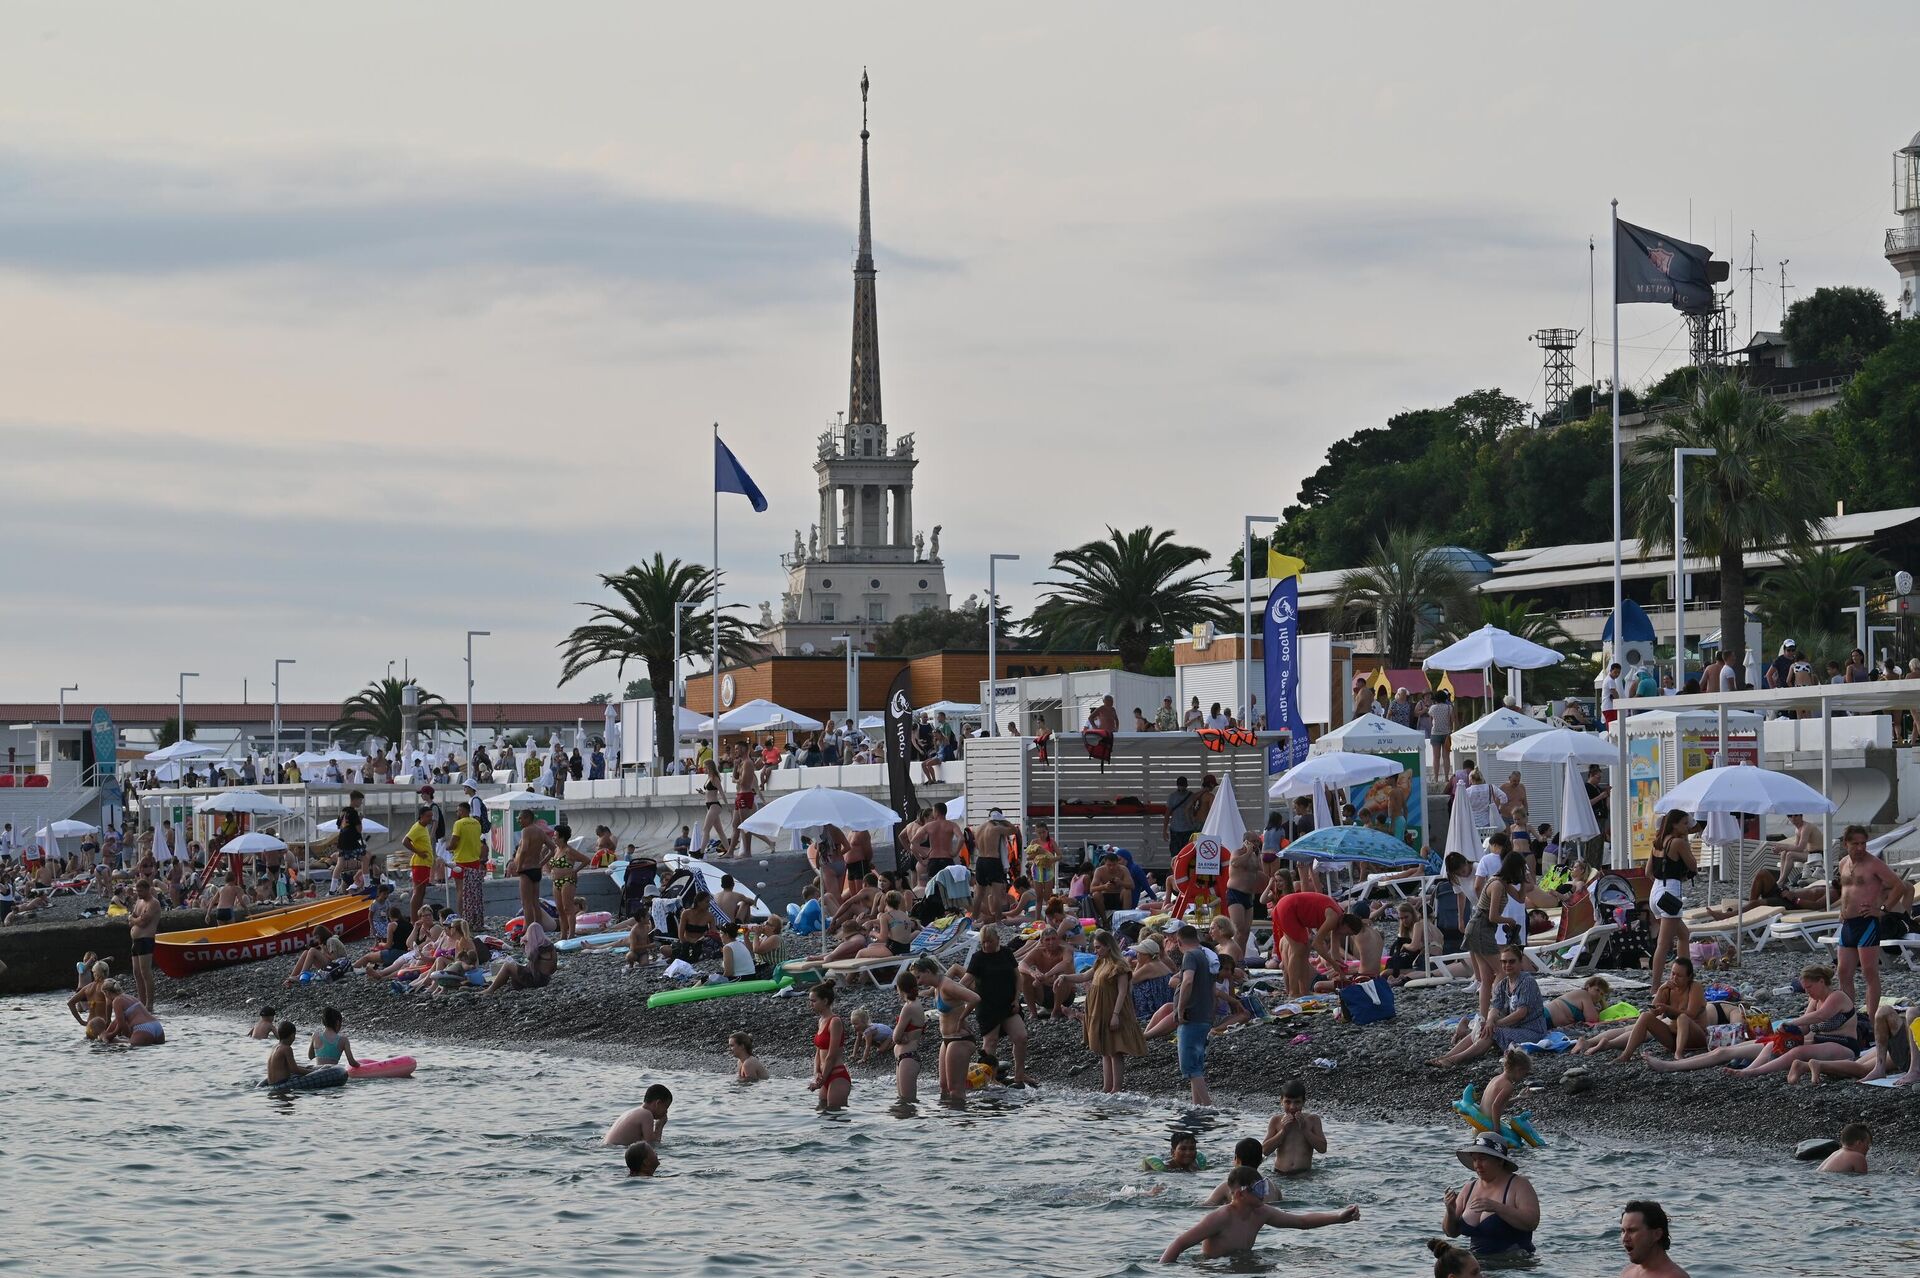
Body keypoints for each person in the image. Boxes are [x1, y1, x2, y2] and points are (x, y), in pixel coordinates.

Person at [1159, 1166, 1359, 1263]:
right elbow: (1179, 1244)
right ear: (1240, 1194)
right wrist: (1163, 1272)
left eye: (1263, 1186)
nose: (1264, 1193)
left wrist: (1338, 1217)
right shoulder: (1220, 1217)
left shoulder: (1261, 1213)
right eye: (1258, 1188)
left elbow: (1302, 1221)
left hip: (1240, 1263)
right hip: (1214, 1269)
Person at [1833, 823, 1901, 1015]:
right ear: (1846, 844)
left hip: (1867, 924)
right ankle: (1849, 1017)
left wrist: (1881, 909)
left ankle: (1872, 1021)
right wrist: (1842, 909)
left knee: (1869, 973)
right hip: (1847, 923)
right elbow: (1847, 890)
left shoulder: (1874, 864)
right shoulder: (1843, 863)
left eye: (1864, 843)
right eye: (1856, 844)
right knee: (1843, 972)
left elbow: (1898, 885)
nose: (1861, 848)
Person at [1441, 1133, 1538, 1260]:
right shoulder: (1469, 1188)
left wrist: (1497, 1207)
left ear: (1499, 1160)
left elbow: (1532, 1223)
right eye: (1474, 1159)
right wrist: (1450, 1211)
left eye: (1482, 1159)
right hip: (1479, 1265)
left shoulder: (1519, 1185)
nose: (1477, 1165)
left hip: (1514, 1265)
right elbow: (1451, 1233)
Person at [965, 925, 1034, 1087]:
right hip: (987, 1007)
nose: (986, 945)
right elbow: (966, 981)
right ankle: (988, 1078)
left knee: (1021, 1037)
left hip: (1008, 1004)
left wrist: (1017, 999)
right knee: (991, 1042)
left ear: (997, 940)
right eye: (983, 943)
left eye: (989, 942)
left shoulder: (1006, 953)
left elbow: (1018, 978)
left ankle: (1020, 1075)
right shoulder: (978, 958)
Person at [1082, 929, 1148, 1092]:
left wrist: (1115, 1015)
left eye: (1098, 947)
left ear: (1108, 947)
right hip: (1100, 1009)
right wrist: (1064, 977)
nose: (1095, 951)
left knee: (1115, 1050)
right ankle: (1107, 1087)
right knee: (1105, 1049)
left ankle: (1116, 1088)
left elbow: (1123, 992)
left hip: (1114, 1009)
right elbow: (1084, 976)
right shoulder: (1100, 962)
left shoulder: (1120, 966)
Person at [1615, 954, 1708, 1062]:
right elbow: (1652, 1011)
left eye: (1679, 976)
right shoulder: (1668, 989)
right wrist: (1660, 990)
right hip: (1672, 1037)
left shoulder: (1694, 987)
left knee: (1683, 1018)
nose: (1674, 978)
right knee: (1645, 1016)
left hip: (1696, 1037)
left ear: (1689, 977)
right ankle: (1626, 1054)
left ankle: (1678, 1054)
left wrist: (1667, 1009)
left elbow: (1691, 1014)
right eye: (1673, 974)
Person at [914, 955, 980, 1103]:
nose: (919, 982)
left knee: (955, 1090)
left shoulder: (947, 985)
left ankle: (962, 1123)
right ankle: (945, 1123)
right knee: (943, 1087)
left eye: (919, 977)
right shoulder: (937, 987)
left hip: (960, 1039)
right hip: (947, 1039)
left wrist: (962, 1019)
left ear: (928, 972)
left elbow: (975, 998)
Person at [1170, 924, 1216, 1105]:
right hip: (1203, 1015)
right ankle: (1197, 1106)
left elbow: (1187, 982)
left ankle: (1208, 1107)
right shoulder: (1205, 955)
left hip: (1192, 1016)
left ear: (1179, 942)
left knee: (1190, 1066)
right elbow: (1212, 987)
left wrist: (1180, 1010)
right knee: (1195, 1066)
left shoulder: (1190, 956)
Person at [1261, 1078, 1328, 1175]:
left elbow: (1322, 1149)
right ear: (1281, 1101)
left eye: (1297, 1102)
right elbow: (1265, 1151)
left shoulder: (1313, 1120)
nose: (1292, 1107)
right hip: (1280, 1175)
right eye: (1288, 1102)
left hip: (1304, 1175)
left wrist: (1305, 1129)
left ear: (1303, 1102)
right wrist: (1283, 1131)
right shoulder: (1276, 1121)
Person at [808, 982, 853, 1111]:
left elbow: (831, 1056)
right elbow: (818, 1050)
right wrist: (816, 1072)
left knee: (835, 1115)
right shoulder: (821, 1020)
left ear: (825, 1001)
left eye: (813, 1001)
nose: (810, 1004)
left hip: (836, 1075)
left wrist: (820, 1082)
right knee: (822, 1113)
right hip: (824, 1076)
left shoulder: (835, 1021)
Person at [1617, 1200, 1688, 1277]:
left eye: (1632, 1231)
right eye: (1623, 1231)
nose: (1625, 1238)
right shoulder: (1627, 1273)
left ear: (1657, 1234)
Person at [445, 802, 487, 929]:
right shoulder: (476, 823)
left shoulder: (459, 824)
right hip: (474, 860)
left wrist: (447, 848)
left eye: (458, 811)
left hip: (461, 861)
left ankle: (462, 918)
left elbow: (453, 843)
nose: (457, 813)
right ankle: (474, 917)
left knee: (461, 891)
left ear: (463, 811)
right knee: (473, 891)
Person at [1205, 1138, 1281, 1204]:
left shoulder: (1227, 1186)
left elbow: (1206, 1206)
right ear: (1261, 1160)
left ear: (1237, 1160)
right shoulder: (1272, 1187)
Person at [486, 922, 558, 992]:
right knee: (517, 969)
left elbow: (529, 957)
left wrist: (526, 945)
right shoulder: (551, 946)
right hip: (546, 980)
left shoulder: (536, 948)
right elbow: (554, 967)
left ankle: (490, 990)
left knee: (507, 965)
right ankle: (503, 984)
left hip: (535, 980)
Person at [891, 968, 927, 1102]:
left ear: (900, 988)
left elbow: (895, 1037)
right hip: (906, 1057)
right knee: (904, 1102)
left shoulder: (908, 1007)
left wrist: (900, 1036)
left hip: (907, 1057)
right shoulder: (916, 1004)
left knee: (906, 1101)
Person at [127, 878, 161, 1011]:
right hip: (135, 941)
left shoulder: (153, 903)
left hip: (146, 939)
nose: (138, 893)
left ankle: (150, 1004)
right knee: (136, 972)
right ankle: (141, 1002)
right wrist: (134, 919)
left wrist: (133, 919)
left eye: (140, 891)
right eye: (137, 891)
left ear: (147, 889)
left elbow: (143, 922)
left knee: (145, 972)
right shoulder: (139, 901)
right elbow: (134, 917)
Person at [1480, 1048, 1530, 1134]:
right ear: (1519, 1070)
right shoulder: (1508, 1086)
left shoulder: (1495, 1079)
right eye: (1524, 1074)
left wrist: (1518, 1097)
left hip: (1481, 1121)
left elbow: (1501, 1104)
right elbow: (1495, 1106)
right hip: (1489, 1126)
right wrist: (1497, 1128)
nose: (1523, 1077)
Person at [604, 1084, 673, 1146]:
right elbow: (652, 1145)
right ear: (658, 1103)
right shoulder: (647, 1114)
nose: (666, 1111)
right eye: (666, 1107)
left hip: (609, 1149)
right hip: (615, 1150)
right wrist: (659, 1126)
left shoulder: (636, 1111)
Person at [264, 1019, 324, 1085]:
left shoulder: (274, 1047)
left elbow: (288, 1067)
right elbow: (295, 1070)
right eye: (294, 1035)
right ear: (292, 1036)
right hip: (281, 1084)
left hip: (271, 1083)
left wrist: (306, 1068)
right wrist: (315, 1072)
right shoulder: (287, 1049)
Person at [308, 1006, 362, 1070]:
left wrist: (320, 1052)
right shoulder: (343, 1040)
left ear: (323, 1022)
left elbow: (310, 1056)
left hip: (317, 1071)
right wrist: (362, 1066)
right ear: (337, 1023)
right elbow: (352, 1062)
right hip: (332, 1072)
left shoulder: (315, 1035)